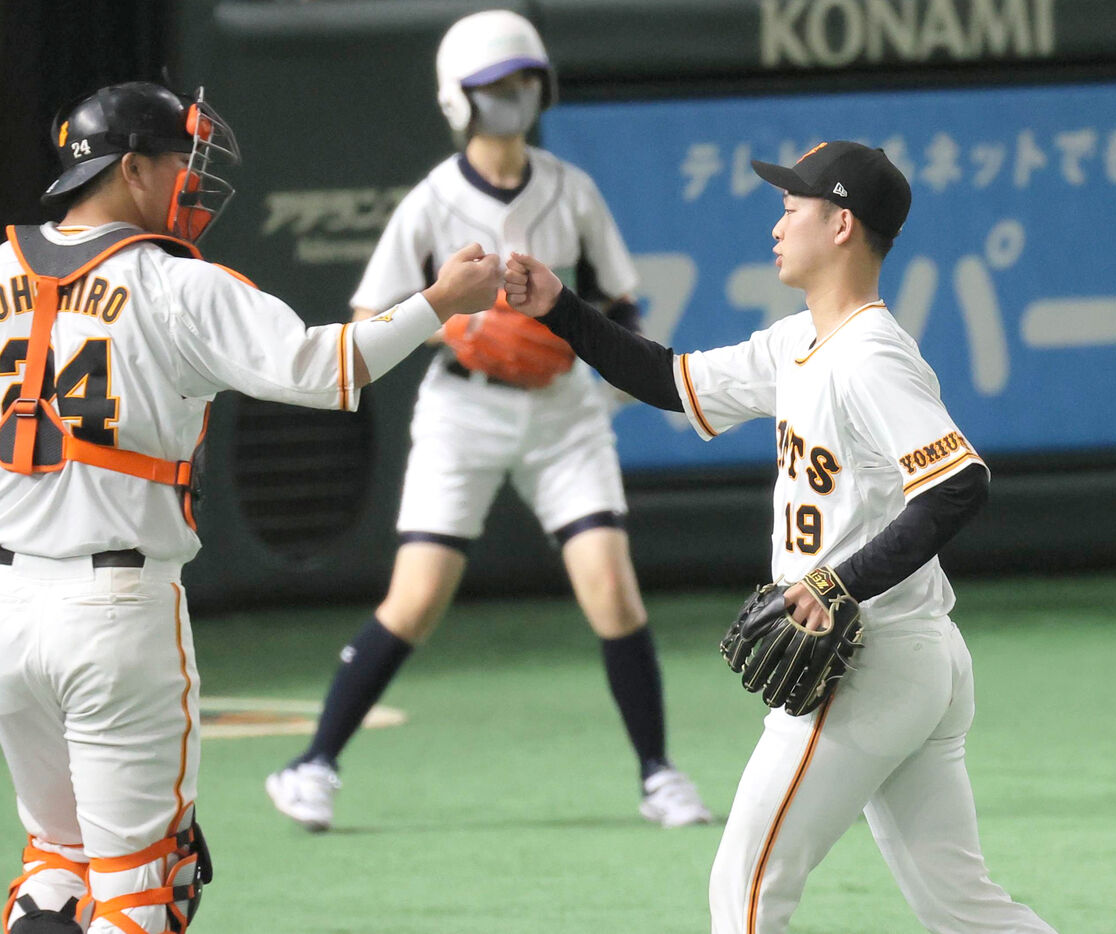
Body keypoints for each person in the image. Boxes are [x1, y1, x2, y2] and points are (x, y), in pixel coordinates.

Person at [504, 141, 1059, 933]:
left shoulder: (870, 355)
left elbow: (958, 484)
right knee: (961, 905)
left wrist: (837, 583)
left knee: (745, 893)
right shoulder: (797, 340)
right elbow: (669, 380)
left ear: (841, 225)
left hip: (869, 660)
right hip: (914, 655)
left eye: (793, 207)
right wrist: (560, 307)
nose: (777, 224)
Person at [0, 81, 501, 934]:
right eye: (177, 161)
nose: (190, 181)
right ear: (130, 169)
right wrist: (440, 302)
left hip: (10, 604)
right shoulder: (174, 284)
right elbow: (328, 367)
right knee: (142, 890)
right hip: (114, 610)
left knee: (57, 864)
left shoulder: (5, 265)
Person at [265, 9, 710, 833]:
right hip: (461, 408)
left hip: (563, 411)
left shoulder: (571, 189)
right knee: (417, 599)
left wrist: (579, 341)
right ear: (457, 99)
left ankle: (659, 774)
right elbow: (367, 314)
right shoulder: (433, 201)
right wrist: (463, 327)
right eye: (495, 85)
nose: (513, 95)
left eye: (524, 80)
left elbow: (620, 303)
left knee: (612, 589)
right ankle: (312, 763)